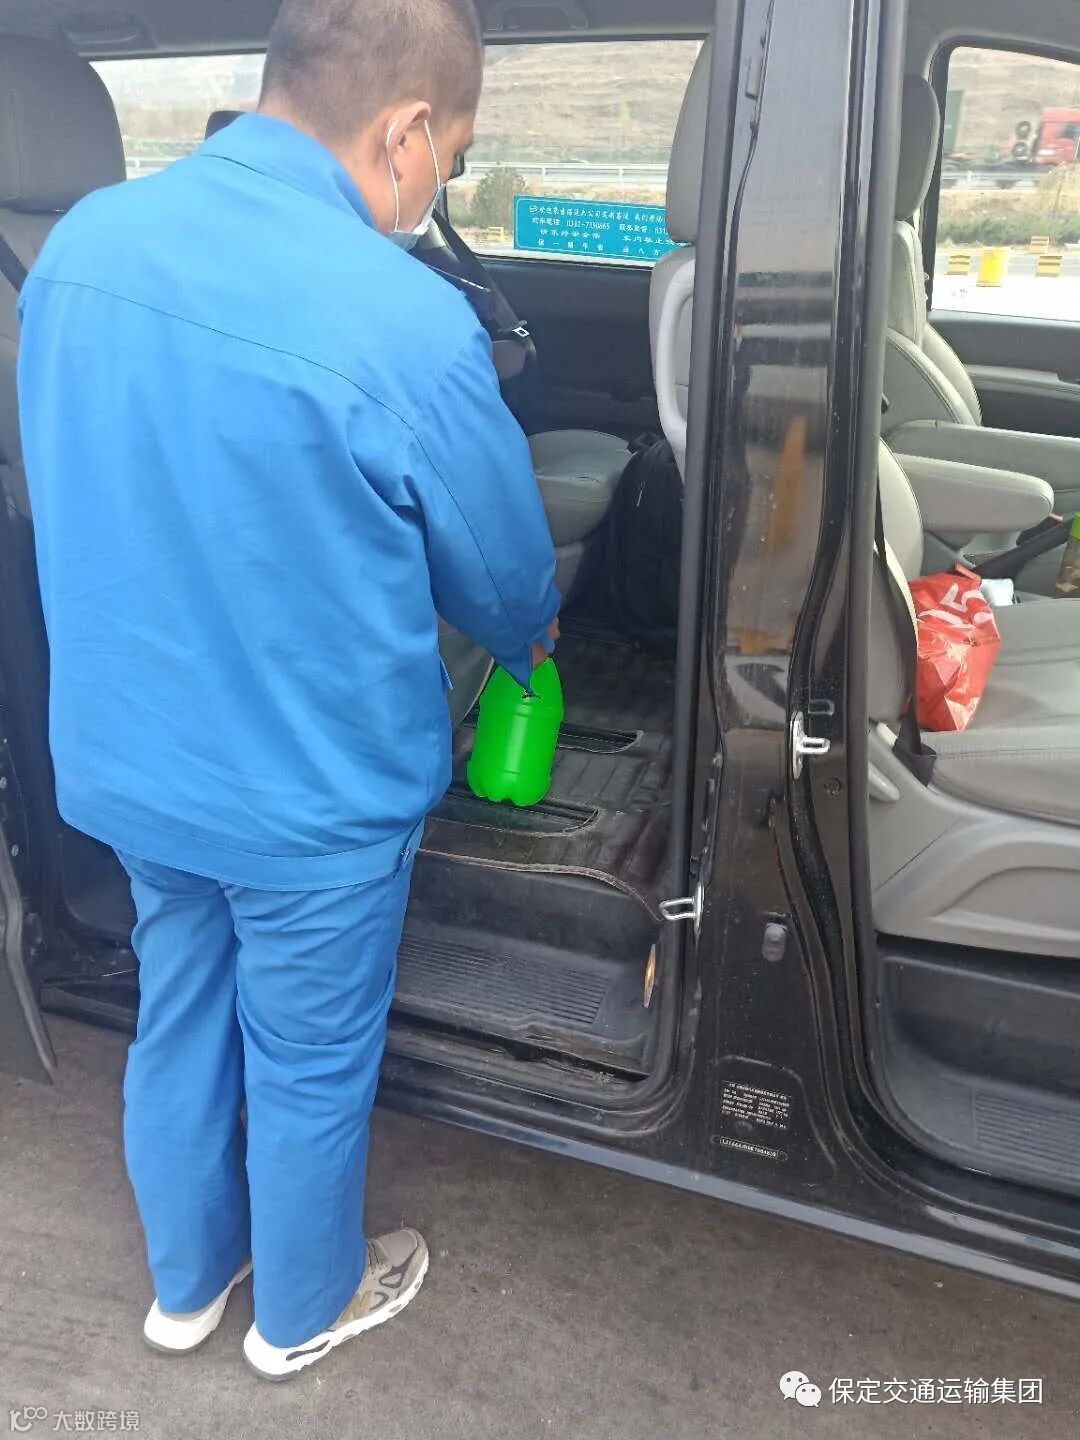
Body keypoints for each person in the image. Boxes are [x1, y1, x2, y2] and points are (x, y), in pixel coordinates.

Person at [16, 0, 559, 1382]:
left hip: (133, 762)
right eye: (450, 160)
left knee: (181, 1011)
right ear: (408, 131)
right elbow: (502, 574)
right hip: (309, 795)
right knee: (309, 1057)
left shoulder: (79, 249)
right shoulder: (405, 318)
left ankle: (188, 1286)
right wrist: (533, 645)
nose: (435, 187)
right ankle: (304, 1308)